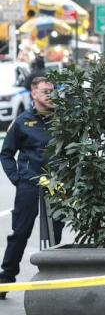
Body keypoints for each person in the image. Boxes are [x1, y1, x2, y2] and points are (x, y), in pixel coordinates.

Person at [0, 77, 63, 299]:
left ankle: (51, 279)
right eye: (45, 92)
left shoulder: (63, 121)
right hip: (29, 183)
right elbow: (6, 154)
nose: (50, 95)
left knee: (56, 233)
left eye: (53, 91)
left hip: (57, 184)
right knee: (20, 232)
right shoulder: (22, 122)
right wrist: (17, 178)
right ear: (34, 94)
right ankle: (6, 277)